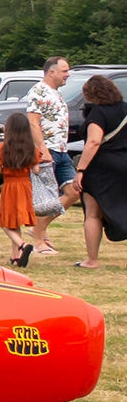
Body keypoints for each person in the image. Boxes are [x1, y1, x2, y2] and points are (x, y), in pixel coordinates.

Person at [27, 56, 81, 256]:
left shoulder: (56, 93)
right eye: (65, 71)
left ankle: (37, 229)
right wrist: (42, 150)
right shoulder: (38, 91)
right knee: (45, 199)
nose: (68, 74)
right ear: (52, 72)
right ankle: (39, 241)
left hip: (61, 150)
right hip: (47, 152)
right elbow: (33, 122)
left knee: (74, 192)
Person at [73, 75, 127, 268]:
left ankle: (92, 260)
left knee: (93, 213)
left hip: (101, 167)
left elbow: (94, 141)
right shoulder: (125, 109)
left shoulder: (97, 114)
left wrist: (81, 169)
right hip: (124, 163)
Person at [0, 112, 40, 267]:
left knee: (6, 223)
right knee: (15, 222)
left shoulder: (4, 148)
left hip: (10, 186)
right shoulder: (30, 148)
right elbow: (37, 169)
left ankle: (22, 245)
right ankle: (16, 257)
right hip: (25, 186)